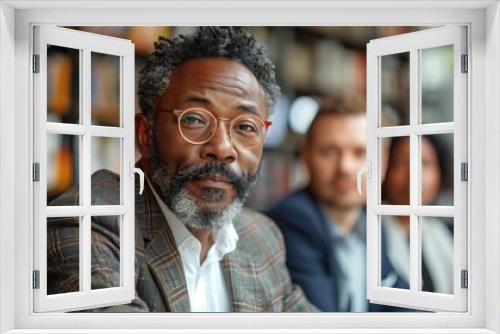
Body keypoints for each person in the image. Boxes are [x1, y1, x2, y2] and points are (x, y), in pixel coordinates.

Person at [47, 27, 316, 312]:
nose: (223, 148)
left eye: (246, 127)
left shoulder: (261, 237)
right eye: (195, 120)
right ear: (145, 134)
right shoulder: (89, 221)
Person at [266, 98, 409, 312]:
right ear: (305, 157)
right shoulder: (290, 220)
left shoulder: (371, 221)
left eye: (360, 153)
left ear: (383, 162)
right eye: (329, 151)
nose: (345, 167)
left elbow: (400, 303)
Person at [381, 135, 454, 294]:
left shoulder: (443, 231)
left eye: (425, 163)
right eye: (401, 163)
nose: (414, 174)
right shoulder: (370, 228)